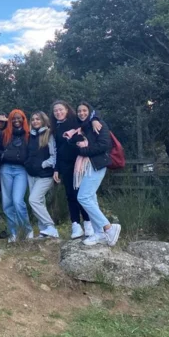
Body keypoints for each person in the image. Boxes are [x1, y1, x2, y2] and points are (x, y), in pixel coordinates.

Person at [68, 102, 121, 247]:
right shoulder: (81, 127)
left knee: (83, 197)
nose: (82, 113)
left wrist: (83, 150)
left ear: (90, 111)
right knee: (91, 198)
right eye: (79, 111)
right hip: (86, 166)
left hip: (97, 164)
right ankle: (100, 233)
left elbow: (104, 145)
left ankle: (108, 228)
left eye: (84, 110)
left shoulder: (98, 124)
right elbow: (72, 144)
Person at [51, 100, 101, 239]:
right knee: (70, 195)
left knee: (82, 195)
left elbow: (92, 112)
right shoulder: (55, 127)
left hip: (80, 163)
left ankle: (88, 223)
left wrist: (95, 119)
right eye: (55, 111)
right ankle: (75, 225)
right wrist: (56, 169)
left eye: (61, 109)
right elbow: (57, 150)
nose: (58, 112)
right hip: (65, 165)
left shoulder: (76, 121)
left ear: (67, 110)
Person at [0, 109, 33, 243]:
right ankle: (13, 232)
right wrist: (3, 155)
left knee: (17, 200)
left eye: (19, 118)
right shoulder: (4, 134)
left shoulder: (29, 135)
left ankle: (27, 229)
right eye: (13, 118)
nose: (16, 120)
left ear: (23, 119)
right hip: (6, 168)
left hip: (21, 170)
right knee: (7, 203)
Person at [25, 111, 59, 238]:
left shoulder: (49, 134)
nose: (35, 121)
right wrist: (28, 164)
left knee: (33, 200)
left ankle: (51, 227)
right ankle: (44, 231)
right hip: (31, 174)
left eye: (38, 119)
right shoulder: (31, 136)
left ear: (43, 121)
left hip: (45, 174)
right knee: (39, 202)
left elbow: (54, 156)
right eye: (33, 119)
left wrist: (42, 164)